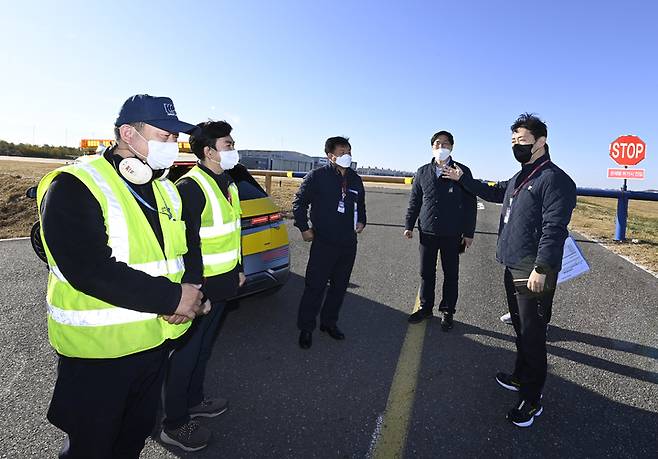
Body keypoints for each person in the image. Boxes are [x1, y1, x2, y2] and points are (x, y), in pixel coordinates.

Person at [37, 94, 207, 458]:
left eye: (175, 138)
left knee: (132, 440)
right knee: (91, 448)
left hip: (153, 342)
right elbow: (88, 269)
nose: (173, 145)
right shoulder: (75, 184)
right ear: (128, 133)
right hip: (99, 353)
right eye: (165, 136)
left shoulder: (163, 188)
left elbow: (186, 248)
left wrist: (191, 291)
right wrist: (171, 298)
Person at [442, 113, 576, 427]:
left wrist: (542, 268)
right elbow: (493, 191)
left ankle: (532, 399)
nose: (516, 146)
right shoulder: (520, 177)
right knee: (520, 328)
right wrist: (462, 178)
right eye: (513, 141)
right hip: (512, 264)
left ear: (541, 142)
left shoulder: (555, 179)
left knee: (533, 335)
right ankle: (520, 376)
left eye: (522, 141)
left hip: (533, 270)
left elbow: (554, 229)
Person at [161, 120, 245, 452]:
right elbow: (187, 244)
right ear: (208, 151)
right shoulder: (191, 187)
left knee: (204, 350)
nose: (234, 148)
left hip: (224, 283)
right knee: (185, 355)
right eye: (228, 144)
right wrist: (194, 291)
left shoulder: (227, 183)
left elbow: (231, 232)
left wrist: (239, 268)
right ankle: (175, 423)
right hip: (201, 289)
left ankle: (194, 401)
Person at [293, 136, 366, 349]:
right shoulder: (317, 176)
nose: (347, 156)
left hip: (347, 243)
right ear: (330, 156)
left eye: (349, 152)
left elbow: (360, 204)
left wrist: (362, 220)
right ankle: (306, 328)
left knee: (339, 287)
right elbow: (299, 203)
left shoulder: (355, 179)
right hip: (323, 241)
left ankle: (329, 323)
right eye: (342, 152)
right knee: (315, 287)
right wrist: (304, 228)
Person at [404, 131, 477, 331]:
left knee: (451, 274)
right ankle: (426, 307)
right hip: (427, 232)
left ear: (452, 147)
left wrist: (468, 232)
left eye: (445, 143)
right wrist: (408, 225)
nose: (441, 147)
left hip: (453, 234)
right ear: (432, 147)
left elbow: (471, 205)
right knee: (426, 272)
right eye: (437, 143)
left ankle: (448, 310)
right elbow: (415, 201)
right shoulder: (422, 172)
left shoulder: (462, 171)